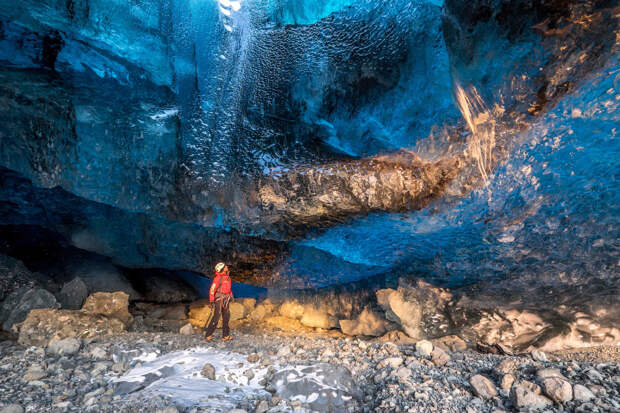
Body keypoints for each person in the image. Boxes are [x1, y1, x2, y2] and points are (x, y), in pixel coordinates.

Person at [204, 262, 234, 342]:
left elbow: (228, 289)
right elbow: (212, 290)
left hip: (226, 299)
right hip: (219, 299)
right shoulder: (218, 278)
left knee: (226, 317)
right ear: (222, 269)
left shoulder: (228, 278)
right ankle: (208, 335)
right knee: (216, 317)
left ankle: (225, 335)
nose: (227, 267)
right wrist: (211, 301)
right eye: (225, 266)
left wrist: (231, 295)